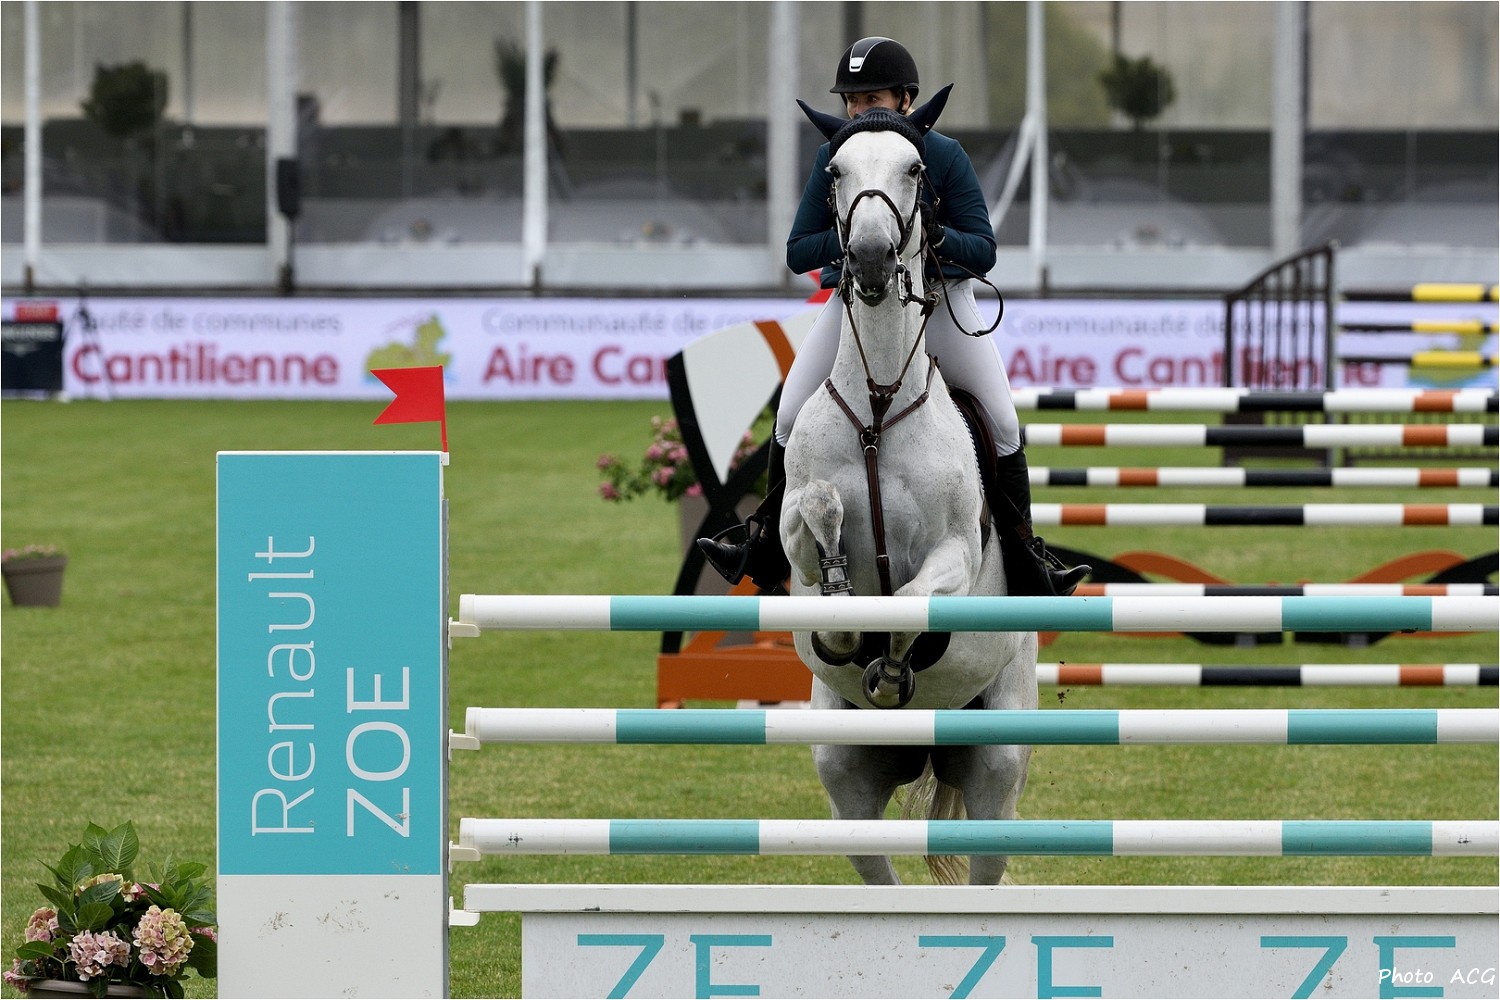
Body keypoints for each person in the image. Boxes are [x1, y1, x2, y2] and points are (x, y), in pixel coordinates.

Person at [698, 36, 1088, 597]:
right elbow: (798, 250)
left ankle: (1027, 557)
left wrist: (930, 234)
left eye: (871, 98)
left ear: (906, 100)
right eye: (852, 101)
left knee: (1003, 422)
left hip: (940, 305)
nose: (859, 111)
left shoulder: (943, 154)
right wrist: (858, 241)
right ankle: (762, 542)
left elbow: (983, 249)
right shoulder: (835, 158)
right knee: (788, 413)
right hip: (857, 304)